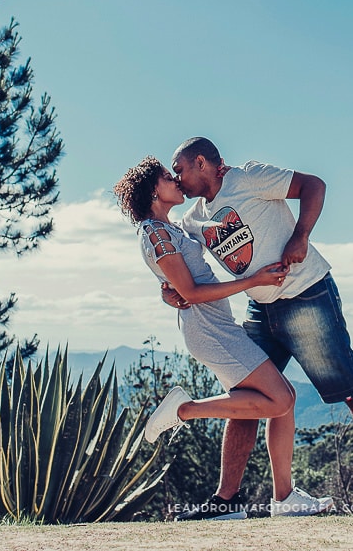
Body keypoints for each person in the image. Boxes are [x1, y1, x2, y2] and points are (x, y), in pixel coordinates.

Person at [165, 137, 353, 517]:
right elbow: (176, 260)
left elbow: (314, 185)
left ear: (201, 162)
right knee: (247, 395)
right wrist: (172, 292)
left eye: (179, 169)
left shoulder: (248, 177)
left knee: (348, 385)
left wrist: (301, 236)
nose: (177, 178)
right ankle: (226, 500)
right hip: (261, 307)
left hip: (307, 296)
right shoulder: (192, 219)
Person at [114, 156, 334, 519]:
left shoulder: (170, 228)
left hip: (218, 327)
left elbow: (175, 286)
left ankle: (283, 498)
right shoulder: (154, 231)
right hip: (208, 331)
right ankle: (184, 410)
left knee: (285, 399)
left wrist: (224, 177)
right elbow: (193, 292)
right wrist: (255, 281)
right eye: (169, 177)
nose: (177, 181)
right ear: (154, 190)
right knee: (281, 399)